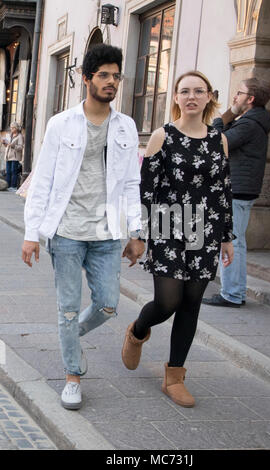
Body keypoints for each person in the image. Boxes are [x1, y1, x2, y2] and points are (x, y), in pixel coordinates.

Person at [21, 44, 145, 410]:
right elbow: (42, 179)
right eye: (103, 75)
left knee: (107, 304)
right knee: (69, 307)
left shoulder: (126, 126)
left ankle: (68, 337)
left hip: (108, 233)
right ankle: (72, 374)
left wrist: (136, 232)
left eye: (116, 76)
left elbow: (131, 183)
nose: (111, 82)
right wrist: (32, 233)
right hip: (67, 233)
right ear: (87, 78)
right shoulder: (61, 124)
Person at [121, 71, 235, 408]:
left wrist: (227, 236)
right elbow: (146, 190)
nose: (191, 97)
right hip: (168, 225)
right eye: (184, 91)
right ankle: (138, 330)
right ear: (175, 97)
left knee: (191, 304)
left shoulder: (220, 140)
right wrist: (138, 234)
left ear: (209, 97)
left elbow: (222, 190)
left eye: (199, 91)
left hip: (206, 228)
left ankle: (174, 376)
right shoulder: (163, 136)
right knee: (168, 301)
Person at [203, 77, 270, 308]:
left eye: (239, 93)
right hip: (243, 190)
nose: (235, 96)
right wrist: (233, 112)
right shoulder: (254, 122)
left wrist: (225, 115)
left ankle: (231, 294)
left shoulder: (248, 125)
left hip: (237, 191)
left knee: (230, 242)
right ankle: (236, 292)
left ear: (250, 99)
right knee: (236, 242)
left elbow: (216, 141)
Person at [3, 122, 23, 192]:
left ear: (16, 128)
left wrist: (12, 145)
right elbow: (8, 146)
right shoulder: (10, 135)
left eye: (13, 127)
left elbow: (20, 147)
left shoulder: (19, 136)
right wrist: (5, 143)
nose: (11, 129)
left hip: (15, 157)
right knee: (8, 172)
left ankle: (13, 186)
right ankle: (7, 186)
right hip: (8, 156)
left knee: (14, 171)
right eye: (11, 127)